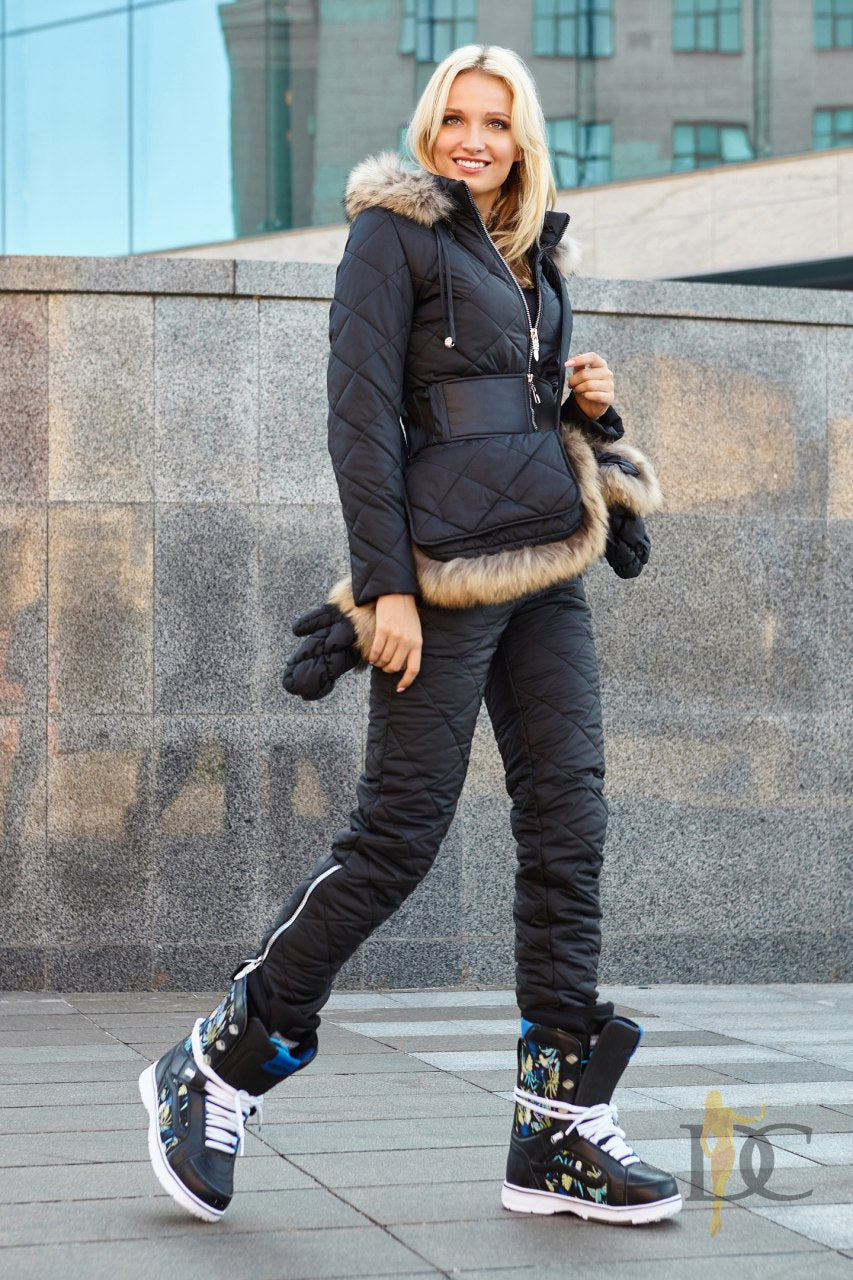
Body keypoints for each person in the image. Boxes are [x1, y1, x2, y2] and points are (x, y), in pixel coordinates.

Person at [139, 44, 679, 1228]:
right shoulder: (392, 234)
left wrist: (593, 408)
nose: (472, 139)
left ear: (523, 138)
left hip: (549, 568)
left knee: (570, 827)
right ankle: (219, 1059)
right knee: (397, 835)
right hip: (438, 580)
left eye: (496, 122)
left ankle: (555, 1135)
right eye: (455, 119)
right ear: (429, 128)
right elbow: (359, 418)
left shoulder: (535, 249)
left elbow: (519, 414)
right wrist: (385, 586)